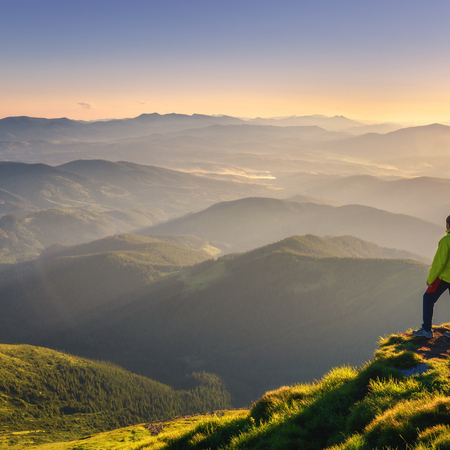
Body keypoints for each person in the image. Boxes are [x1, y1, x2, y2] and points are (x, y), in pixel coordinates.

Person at [413, 215, 450, 338]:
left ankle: (427, 330)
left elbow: (439, 263)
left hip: (445, 277)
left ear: (448, 225)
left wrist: (431, 279)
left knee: (428, 298)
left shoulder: (446, 241)